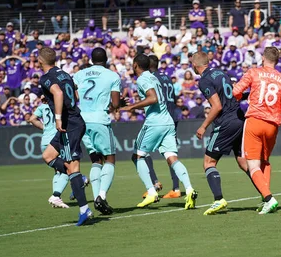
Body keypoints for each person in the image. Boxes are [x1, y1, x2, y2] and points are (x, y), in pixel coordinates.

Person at [232, 47, 281, 214]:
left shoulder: (253, 72)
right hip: (272, 125)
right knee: (265, 161)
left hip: (255, 121)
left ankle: (269, 198)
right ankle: (265, 198)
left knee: (253, 165)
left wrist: (241, 94)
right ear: (277, 61)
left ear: (263, 58)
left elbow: (236, 92)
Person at [120, 54, 197, 209]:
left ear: (135, 65)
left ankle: (151, 191)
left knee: (137, 156)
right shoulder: (154, 77)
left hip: (155, 122)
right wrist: (136, 104)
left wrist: (131, 107)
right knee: (171, 157)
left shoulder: (142, 79)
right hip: (168, 120)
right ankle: (189, 189)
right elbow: (154, 100)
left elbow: (153, 98)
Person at [38, 47, 92, 226]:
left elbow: (59, 93)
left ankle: (84, 209)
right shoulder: (64, 74)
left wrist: (59, 117)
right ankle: (78, 178)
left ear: (40, 61)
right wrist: (54, 101)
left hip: (69, 125)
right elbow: (74, 93)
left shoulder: (46, 77)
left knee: (71, 165)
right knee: (48, 156)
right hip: (74, 119)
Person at [192, 51, 249, 215]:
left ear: (195, 65)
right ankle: (266, 196)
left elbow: (217, 106)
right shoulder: (221, 73)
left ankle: (218, 199)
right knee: (244, 163)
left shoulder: (204, 80)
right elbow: (235, 94)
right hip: (239, 118)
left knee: (209, 163)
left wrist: (203, 126)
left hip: (226, 122)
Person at [73, 48, 121, 216]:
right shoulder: (112, 75)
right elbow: (114, 104)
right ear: (106, 59)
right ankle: (101, 195)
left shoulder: (80, 74)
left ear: (91, 60)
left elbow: (73, 94)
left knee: (95, 159)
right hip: (100, 120)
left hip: (82, 120)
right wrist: (119, 102)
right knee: (110, 159)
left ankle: (96, 198)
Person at [145, 55, 182, 200]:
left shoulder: (152, 79)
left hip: (160, 118)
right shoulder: (166, 77)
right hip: (173, 116)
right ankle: (176, 188)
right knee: (170, 153)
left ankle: (154, 184)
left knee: (141, 151)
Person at [30, 96, 71, 209]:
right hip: (56, 141)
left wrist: (45, 128)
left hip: (45, 141)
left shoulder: (42, 107)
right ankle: (56, 195)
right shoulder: (59, 106)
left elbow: (32, 119)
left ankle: (56, 197)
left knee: (57, 171)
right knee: (67, 168)